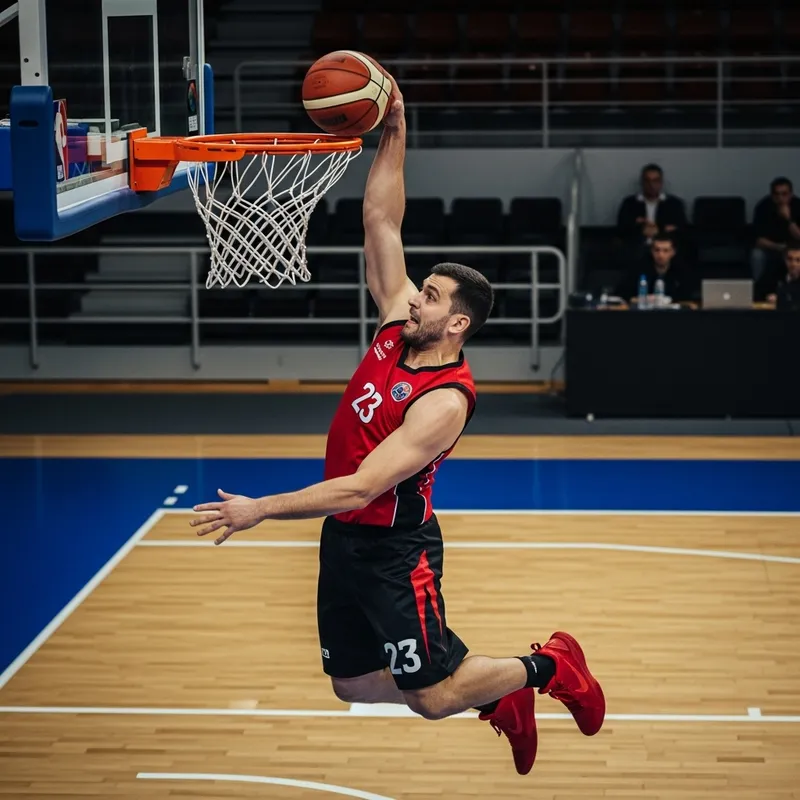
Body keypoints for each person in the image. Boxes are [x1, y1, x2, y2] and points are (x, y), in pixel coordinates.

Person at [190, 77, 605, 776]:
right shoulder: (396, 326)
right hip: (344, 543)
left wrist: (259, 508)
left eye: (432, 298)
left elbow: (358, 490)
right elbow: (382, 222)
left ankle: (546, 666)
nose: (415, 300)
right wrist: (395, 130)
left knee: (431, 699)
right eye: (420, 291)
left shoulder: (444, 400)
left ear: (459, 324)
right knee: (350, 684)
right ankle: (498, 693)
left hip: (394, 549)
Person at [616, 163, 687, 265]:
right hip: (638, 247)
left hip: (665, 247)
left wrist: (658, 230)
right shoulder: (630, 203)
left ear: (661, 183)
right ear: (642, 183)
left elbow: (681, 228)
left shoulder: (673, 204)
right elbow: (621, 228)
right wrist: (641, 229)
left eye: (655, 181)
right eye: (647, 181)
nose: (651, 185)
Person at [751, 177, 800, 296]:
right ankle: (758, 292)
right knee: (757, 255)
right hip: (772, 248)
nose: (780, 198)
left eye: (784, 194)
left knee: (795, 257)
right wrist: (779, 248)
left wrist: (788, 219)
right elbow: (758, 240)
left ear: (791, 194)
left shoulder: (798, 206)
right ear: (772, 195)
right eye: (776, 194)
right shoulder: (763, 207)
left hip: (795, 249)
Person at [617, 233, 693, 303]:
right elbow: (622, 295)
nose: (660, 255)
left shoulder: (681, 270)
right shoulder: (639, 268)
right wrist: (641, 299)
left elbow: (687, 297)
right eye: (657, 250)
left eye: (665, 251)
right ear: (651, 251)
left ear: (673, 252)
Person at [768, 240, 800, 311]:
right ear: (784, 259)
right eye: (790, 259)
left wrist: (781, 299)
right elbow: (758, 292)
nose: (793, 264)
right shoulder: (775, 273)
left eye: (798, 260)